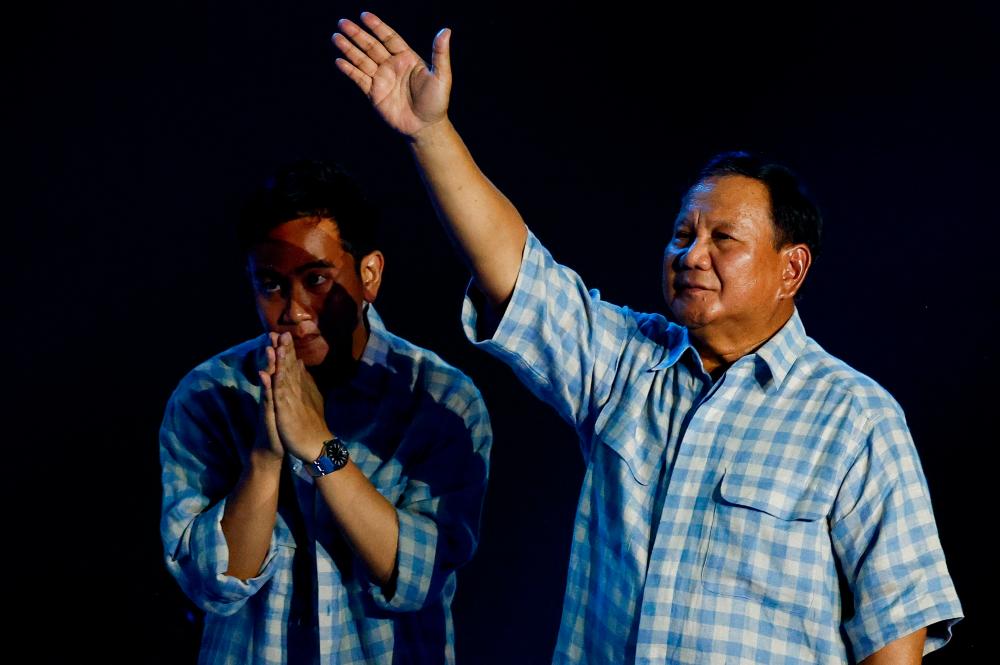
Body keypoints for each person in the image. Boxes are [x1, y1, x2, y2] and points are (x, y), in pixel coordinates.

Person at [331, 12, 963, 664]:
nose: (690, 255)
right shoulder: (627, 367)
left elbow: (895, 638)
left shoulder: (856, 420)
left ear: (791, 268)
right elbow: (514, 269)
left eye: (723, 239)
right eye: (683, 234)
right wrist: (430, 134)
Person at [159, 160, 492, 664]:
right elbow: (212, 586)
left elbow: (417, 579)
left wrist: (320, 447)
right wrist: (266, 458)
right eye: (270, 285)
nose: (293, 310)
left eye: (316, 279)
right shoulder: (208, 394)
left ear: (369, 275)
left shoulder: (441, 399)